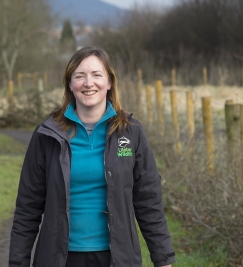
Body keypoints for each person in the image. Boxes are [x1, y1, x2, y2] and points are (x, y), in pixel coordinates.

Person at [9, 46, 175, 267]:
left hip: (117, 258)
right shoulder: (47, 134)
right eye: (80, 76)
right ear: (70, 84)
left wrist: (163, 259)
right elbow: (27, 206)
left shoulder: (131, 132)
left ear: (109, 83)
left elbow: (148, 200)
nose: (89, 83)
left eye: (97, 75)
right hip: (59, 258)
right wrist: (17, 262)